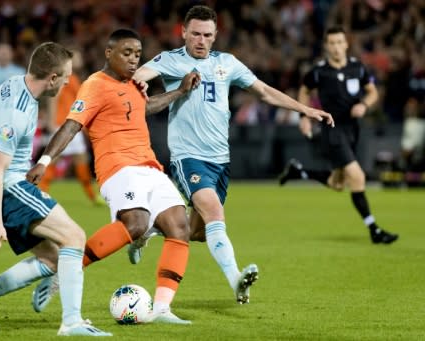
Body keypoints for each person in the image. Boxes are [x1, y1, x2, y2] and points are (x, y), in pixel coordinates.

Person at [131, 5, 335, 305]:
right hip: (188, 157)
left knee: (196, 232)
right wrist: (139, 80)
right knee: (215, 213)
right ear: (184, 32)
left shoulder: (227, 63)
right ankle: (236, 281)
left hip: (220, 161)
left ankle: (146, 231)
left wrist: (305, 109)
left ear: (215, 36)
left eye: (208, 35)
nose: (201, 40)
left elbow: (263, 91)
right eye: (196, 34)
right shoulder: (172, 60)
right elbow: (142, 73)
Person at [27, 29, 200, 324]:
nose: (134, 59)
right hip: (118, 167)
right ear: (109, 53)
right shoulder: (95, 84)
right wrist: (44, 160)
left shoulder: (133, 84)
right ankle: (65, 268)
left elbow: (145, 108)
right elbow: (71, 125)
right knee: (136, 224)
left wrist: (181, 92)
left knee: (179, 226)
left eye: (137, 54)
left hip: (150, 166)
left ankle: (161, 309)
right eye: (126, 53)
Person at [0, 42, 111, 336]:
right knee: (75, 237)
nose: (68, 81)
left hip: (4, 182)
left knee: (52, 258)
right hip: (8, 187)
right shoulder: (18, 113)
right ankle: (72, 322)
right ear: (52, 78)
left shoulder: (14, 84)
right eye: (65, 76)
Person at [278, 26, 398, 244]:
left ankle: (299, 172)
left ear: (346, 44)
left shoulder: (357, 68)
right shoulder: (319, 71)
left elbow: (373, 92)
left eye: (339, 42)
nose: (335, 47)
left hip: (353, 130)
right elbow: (304, 90)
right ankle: (374, 230)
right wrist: (304, 116)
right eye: (331, 43)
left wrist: (364, 105)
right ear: (326, 46)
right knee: (358, 177)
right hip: (332, 129)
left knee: (337, 183)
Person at [36, 49, 105, 206]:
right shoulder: (65, 77)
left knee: (79, 160)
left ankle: (92, 197)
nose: (80, 59)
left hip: (72, 125)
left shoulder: (73, 77)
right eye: (77, 58)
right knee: (53, 160)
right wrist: (52, 122)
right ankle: (41, 192)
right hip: (63, 125)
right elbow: (54, 97)